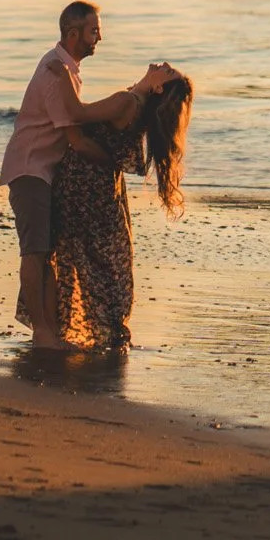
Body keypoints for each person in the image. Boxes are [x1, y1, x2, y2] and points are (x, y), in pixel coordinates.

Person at [0, 2, 174, 349]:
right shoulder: (56, 72)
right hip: (31, 168)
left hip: (45, 172)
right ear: (73, 33)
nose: (100, 37)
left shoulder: (67, 72)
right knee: (35, 251)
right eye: (94, 30)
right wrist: (113, 163)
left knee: (46, 252)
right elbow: (77, 137)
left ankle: (49, 332)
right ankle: (43, 333)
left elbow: (81, 124)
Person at [44, 68, 190, 351]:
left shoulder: (127, 102)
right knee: (98, 263)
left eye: (168, 71)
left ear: (159, 88)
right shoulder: (138, 106)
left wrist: (62, 75)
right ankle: (104, 332)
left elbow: (75, 112)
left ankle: (60, 331)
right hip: (102, 190)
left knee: (76, 257)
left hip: (83, 187)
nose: (162, 65)